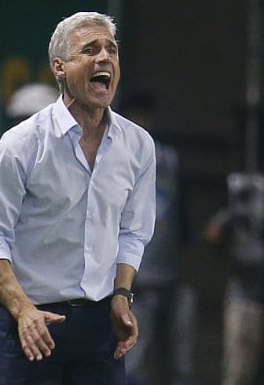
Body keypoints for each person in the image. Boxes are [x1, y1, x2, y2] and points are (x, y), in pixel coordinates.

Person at [0, 11, 156, 385]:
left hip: (100, 326)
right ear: (59, 67)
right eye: (89, 50)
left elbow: (133, 233)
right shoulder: (19, 145)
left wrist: (122, 294)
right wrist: (24, 311)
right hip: (31, 323)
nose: (104, 58)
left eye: (111, 50)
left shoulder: (138, 145)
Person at [119, 90, 195, 385]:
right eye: (134, 115)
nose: (141, 121)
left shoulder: (168, 157)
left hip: (170, 275)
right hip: (136, 280)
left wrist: (185, 265)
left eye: (145, 115)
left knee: (178, 363)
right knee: (133, 358)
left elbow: (181, 214)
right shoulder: (113, 158)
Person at [204, 176, 264, 385]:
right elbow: (212, 236)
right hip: (241, 297)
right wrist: (232, 213)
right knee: (237, 371)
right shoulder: (233, 201)